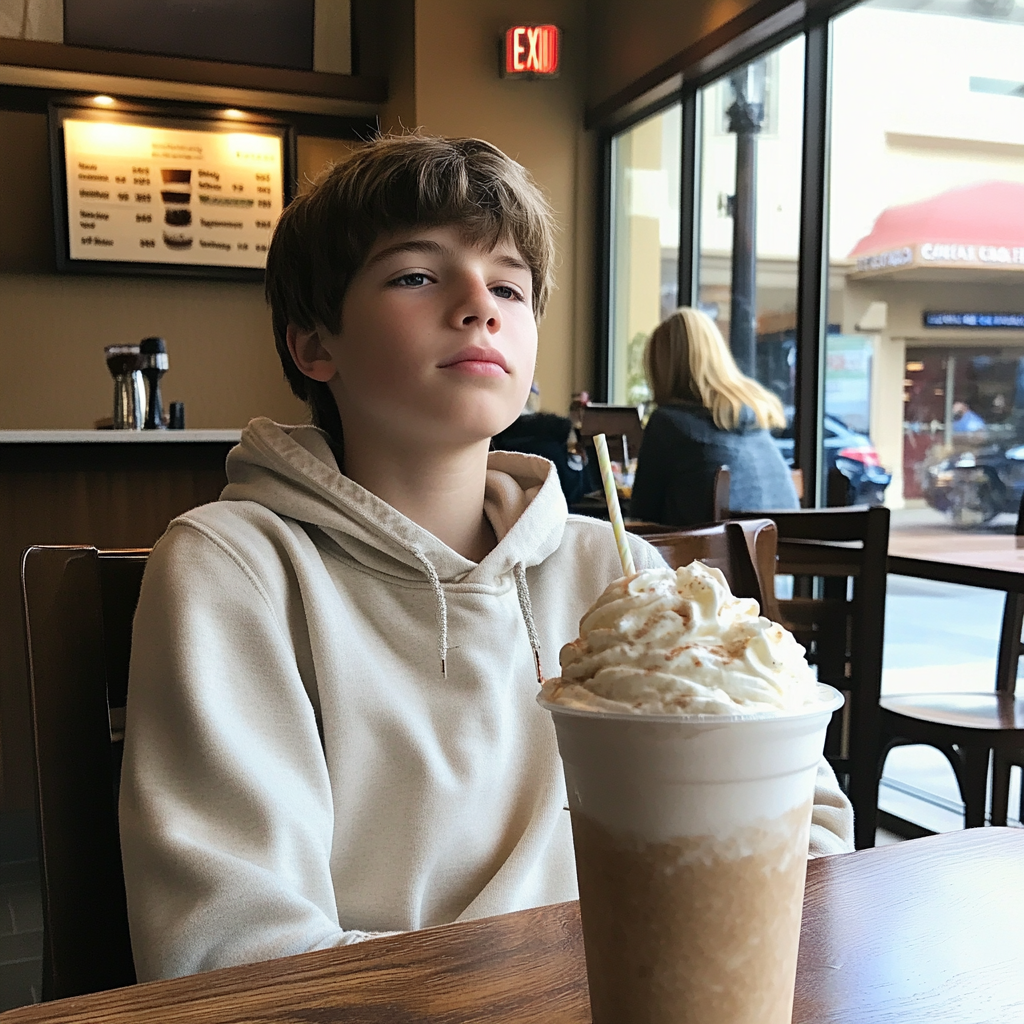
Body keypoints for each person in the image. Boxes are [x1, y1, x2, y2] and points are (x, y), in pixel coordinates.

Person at [119, 135, 854, 982]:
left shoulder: (627, 580)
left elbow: (815, 839)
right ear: (314, 345)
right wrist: (614, 961)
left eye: (510, 284)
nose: (481, 305)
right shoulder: (234, 572)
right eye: (416, 276)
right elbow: (227, 957)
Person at [631, 307, 800, 527]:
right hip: (784, 555)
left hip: (714, 559)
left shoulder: (668, 423)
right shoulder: (754, 419)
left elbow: (642, 515)